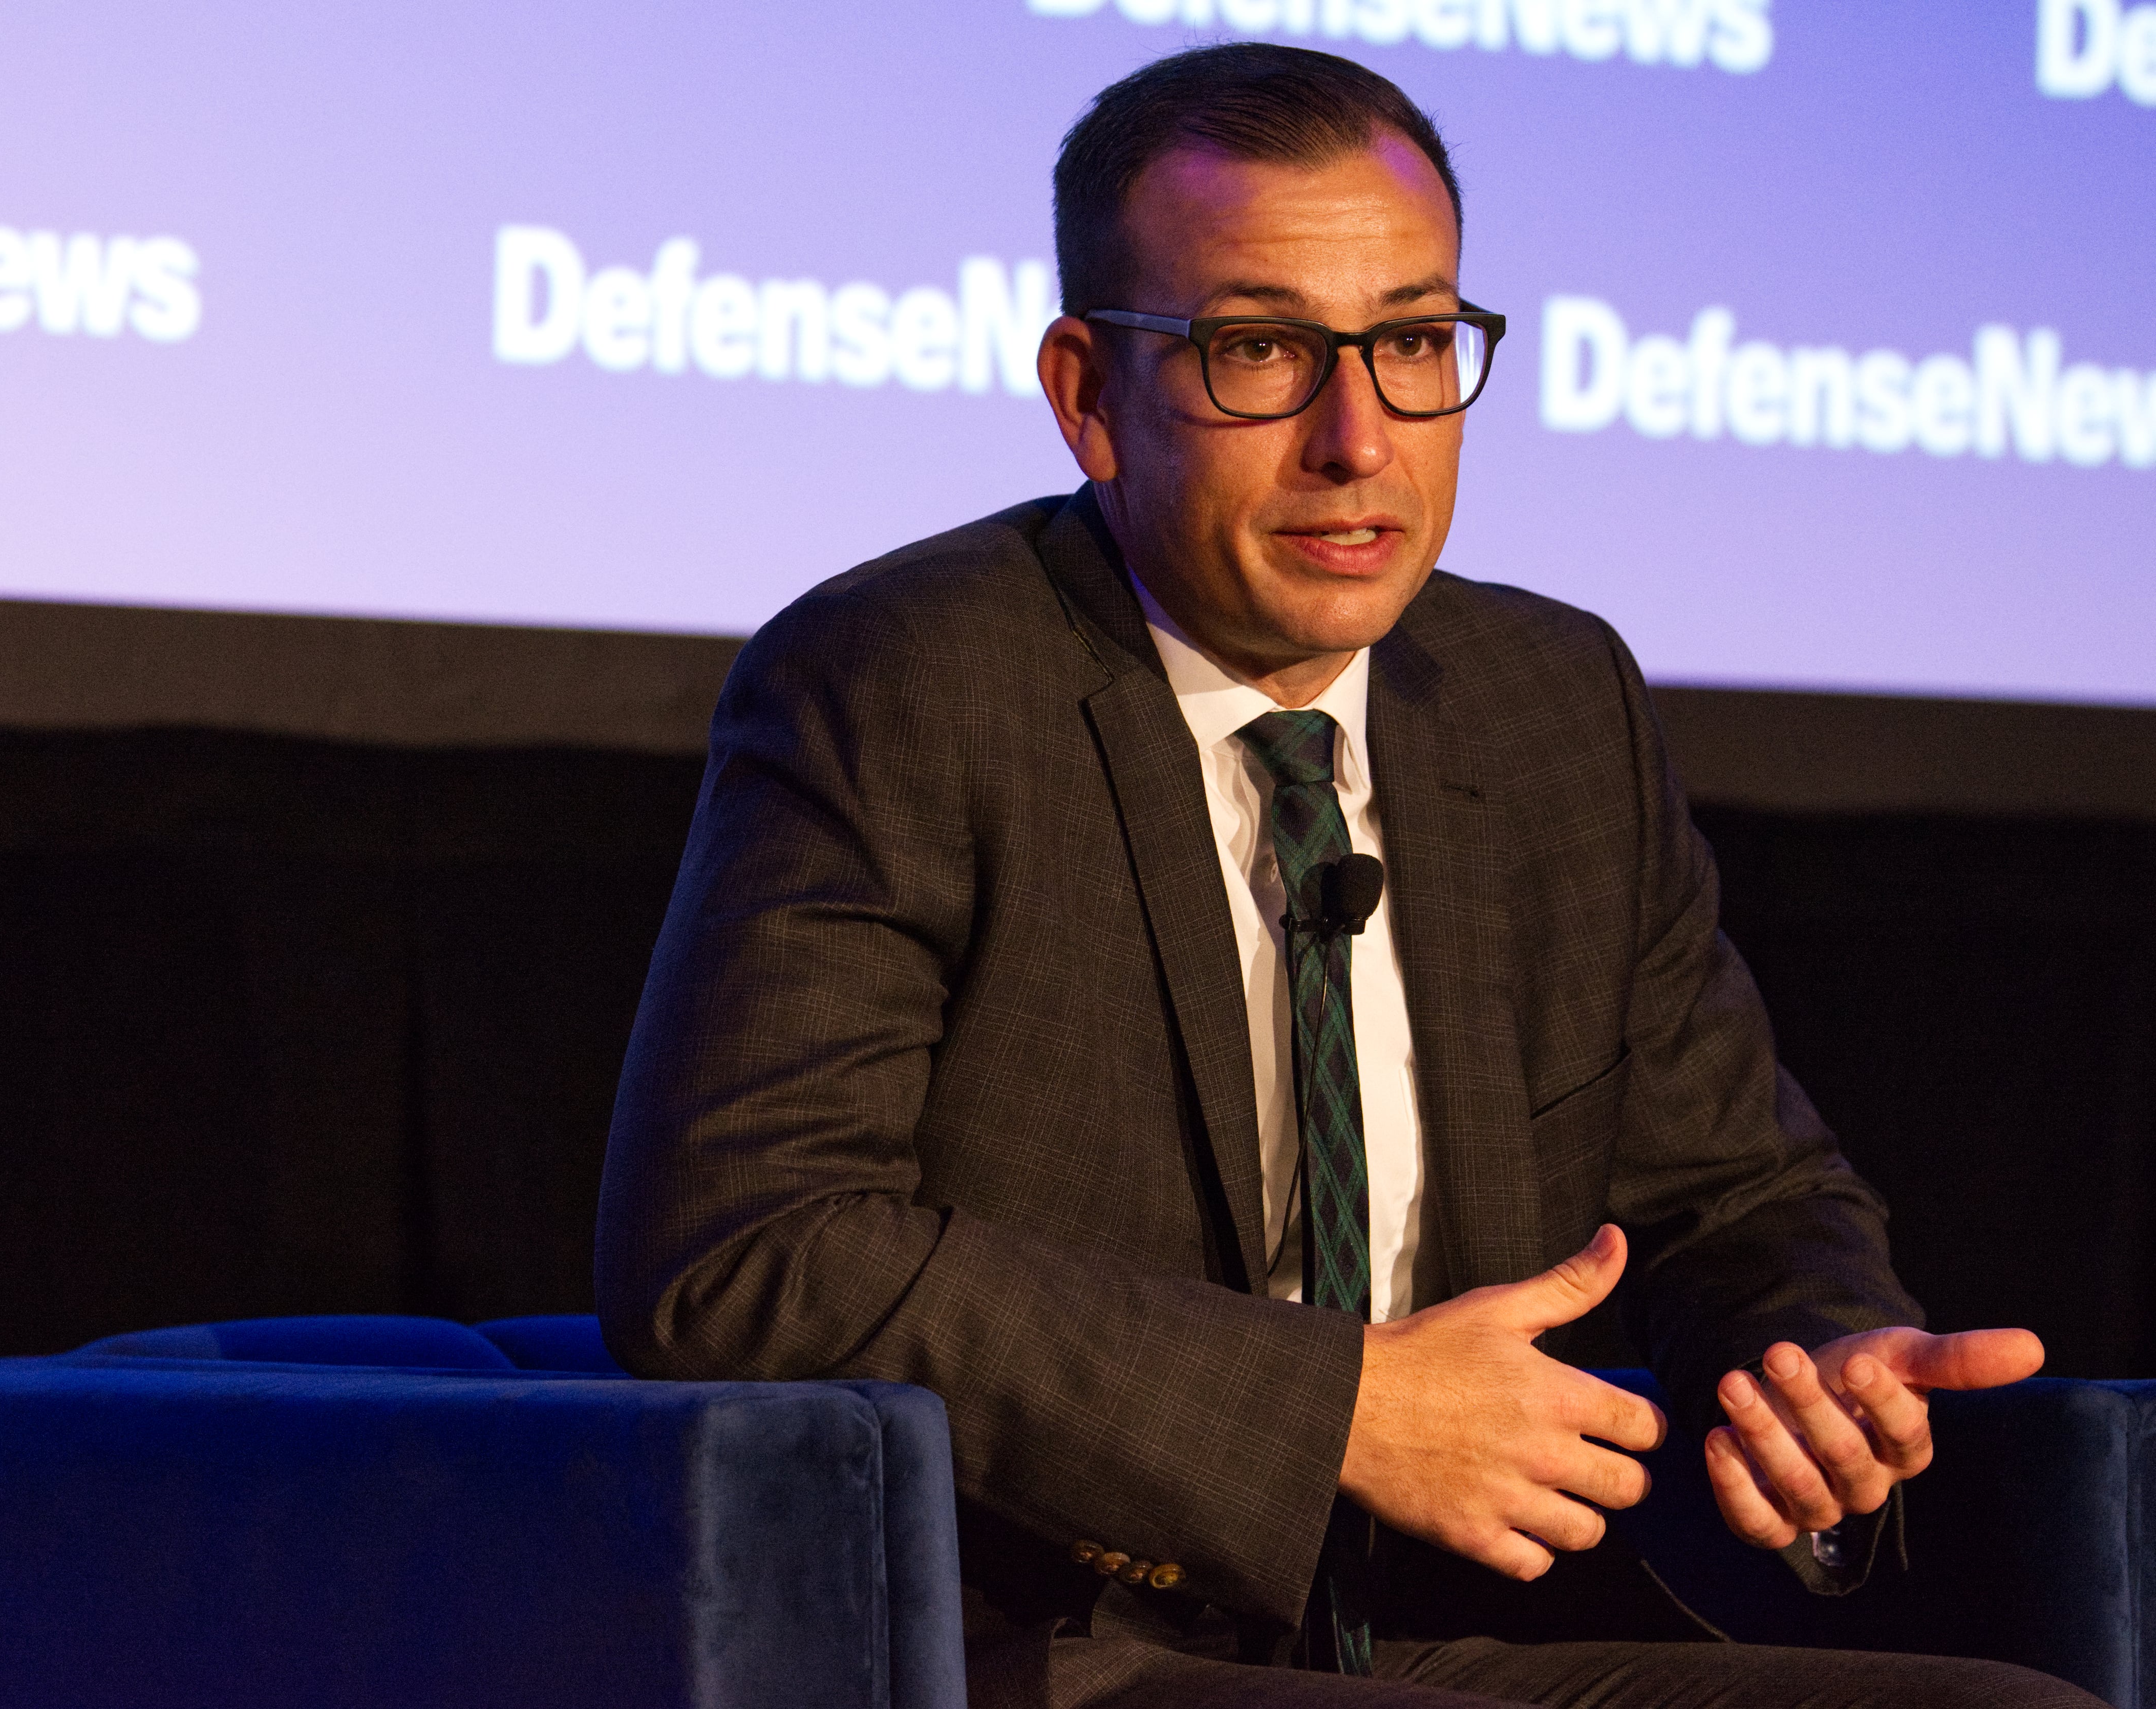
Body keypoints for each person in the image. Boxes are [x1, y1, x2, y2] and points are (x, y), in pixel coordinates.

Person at [595, 43, 2087, 1709]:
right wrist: (1336, 1413)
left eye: (1413, 344)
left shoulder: (1549, 702)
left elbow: (1735, 1197)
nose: (1357, 438)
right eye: (1259, 351)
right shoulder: (906, 683)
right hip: (1060, 1650)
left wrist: (1813, 1355)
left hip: (1470, 1633)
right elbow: (743, 1249)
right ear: (1089, 393)